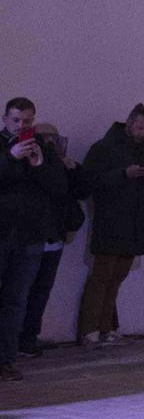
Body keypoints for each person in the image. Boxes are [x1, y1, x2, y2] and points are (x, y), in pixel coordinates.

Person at [78, 104, 144, 343]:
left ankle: (106, 327)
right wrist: (123, 174)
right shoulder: (104, 148)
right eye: (139, 127)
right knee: (101, 276)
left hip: (136, 224)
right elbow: (87, 182)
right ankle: (89, 329)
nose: (142, 133)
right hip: (110, 221)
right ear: (128, 122)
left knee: (118, 277)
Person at [1, 98, 64, 381]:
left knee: (16, 302)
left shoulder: (44, 150)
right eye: (16, 120)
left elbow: (60, 189)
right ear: (5, 119)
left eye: (27, 121)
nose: (21, 126)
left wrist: (39, 165)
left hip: (29, 238)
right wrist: (10, 157)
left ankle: (6, 360)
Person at [19, 120, 85, 357]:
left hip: (54, 237)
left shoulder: (62, 165)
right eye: (45, 137)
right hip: (30, 238)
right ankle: (15, 339)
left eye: (54, 139)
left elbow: (80, 192)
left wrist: (72, 170)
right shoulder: (27, 163)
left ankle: (29, 338)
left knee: (42, 291)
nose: (50, 143)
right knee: (20, 291)